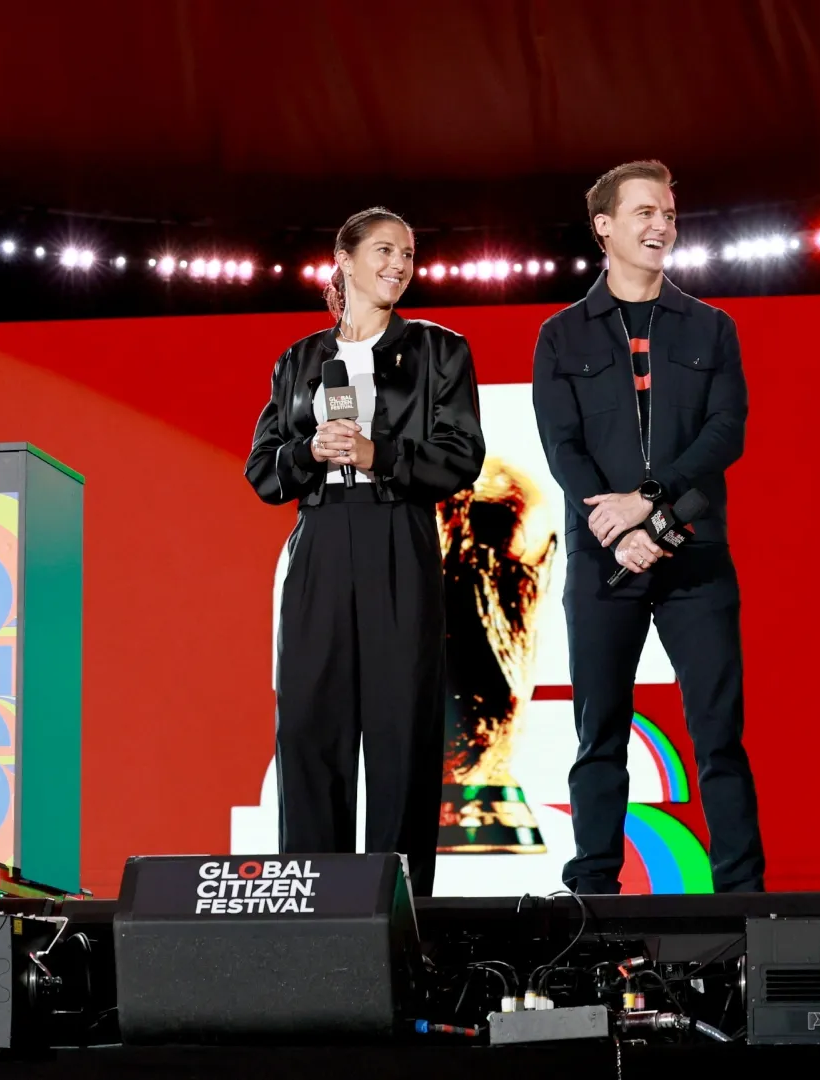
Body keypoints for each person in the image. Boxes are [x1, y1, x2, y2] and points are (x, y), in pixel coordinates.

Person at [532, 161, 765, 895]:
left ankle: (744, 899)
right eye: (643, 212)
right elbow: (562, 446)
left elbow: (726, 432)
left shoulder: (712, 326)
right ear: (604, 227)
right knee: (599, 732)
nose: (661, 224)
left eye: (667, 212)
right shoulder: (561, 336)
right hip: (605, 559)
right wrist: (619, 526)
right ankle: (594, 894)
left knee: (718, 734)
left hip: (696, 555)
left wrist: (652, 507)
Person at [246, 207, 484, 897]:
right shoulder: (299, 361)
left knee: (400, 735)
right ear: (344, 260)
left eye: (408, 254)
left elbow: (462, 456)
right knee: (310, 729)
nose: (399, 266)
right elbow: (262, 471)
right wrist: (306, 450)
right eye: (384, 251)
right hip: (319, 539)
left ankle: (397, 914)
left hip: (398, 535)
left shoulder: (443, 350)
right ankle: (312, 910)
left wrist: (381, 455)